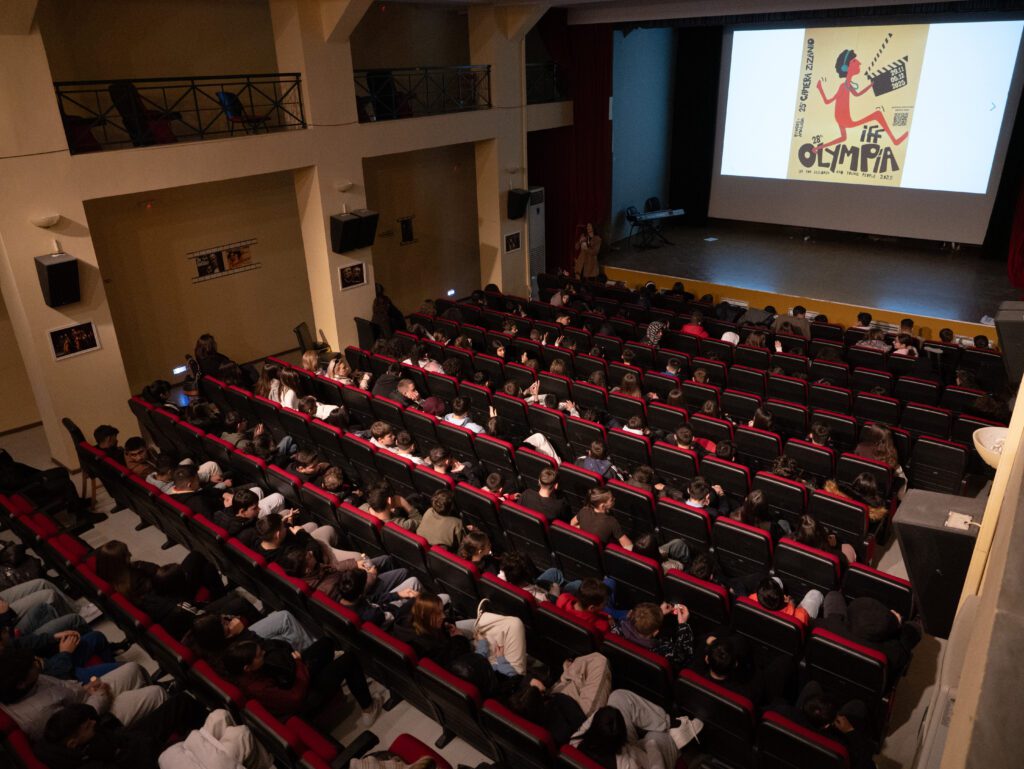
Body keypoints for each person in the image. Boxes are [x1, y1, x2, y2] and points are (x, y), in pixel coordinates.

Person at [0, 647, 167, 741]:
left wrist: (85, 688)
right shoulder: (38, 717)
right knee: (156, 693)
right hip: (93, 720)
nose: (37, 664)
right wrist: (99, 695)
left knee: (133, 668)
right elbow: (81, 725)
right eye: (32, 665)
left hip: (83, 698)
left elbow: (62, 687)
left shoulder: (28, 681)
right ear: (20, 683)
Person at [222, 636, 380, 724]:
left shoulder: (242, 671)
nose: (263, 653)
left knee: (326, 643)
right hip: (303, 701)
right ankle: (368, 707)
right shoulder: (257, 688)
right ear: (247, 668)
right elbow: (295, 697)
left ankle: (340, 675)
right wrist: (298, 664)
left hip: (288, 682)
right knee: (349, 659)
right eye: (259, 655)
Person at [36, 694, 207, 769]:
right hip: (144, 758)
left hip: (126, 740)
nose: (93, 722)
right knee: (196, 737)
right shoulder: (90, 765)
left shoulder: (60, 737)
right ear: (73, 743)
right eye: (87, 726)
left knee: (180, 702)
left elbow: (94, 718)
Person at [572, 690, 702, 768]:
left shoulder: (576, 741)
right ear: (622, 738)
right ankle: (675, 738)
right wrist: (651, 746)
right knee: (656, 737)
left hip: (625, 749)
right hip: (642, 759)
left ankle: (668, 722)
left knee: (618, 697)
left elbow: (599, 718)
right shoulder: (628, 765)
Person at [814, 49, 908, 153]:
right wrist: (820, 88)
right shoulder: (843, 86)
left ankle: (816, 148)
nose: (859, 62)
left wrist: (870, 86)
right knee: (877, 115)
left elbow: (857, 94)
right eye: (854, 61)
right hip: (845, 119)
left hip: (841, 119)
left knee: (843, 138)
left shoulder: (847, 85)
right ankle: (895, 141)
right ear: (845, 67)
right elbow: (827, 101)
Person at [158, 708, 274, 769]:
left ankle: (252, 756)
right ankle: (268, 764)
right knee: (242, 734)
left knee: (219, 715)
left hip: (182, 758)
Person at [612, 601, 695, 671]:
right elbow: (683, 657)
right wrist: (683, 625)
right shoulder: (663, 651)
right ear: (655, 632)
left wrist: (657, 614)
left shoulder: (617, 630)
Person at [748, 575, 822, 627]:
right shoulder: (800, 618)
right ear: (783, 597)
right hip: (794, 616)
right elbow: (804, 620)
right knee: (815, 593)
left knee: (774, 579)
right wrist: (791, 605)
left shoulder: (751, 599)